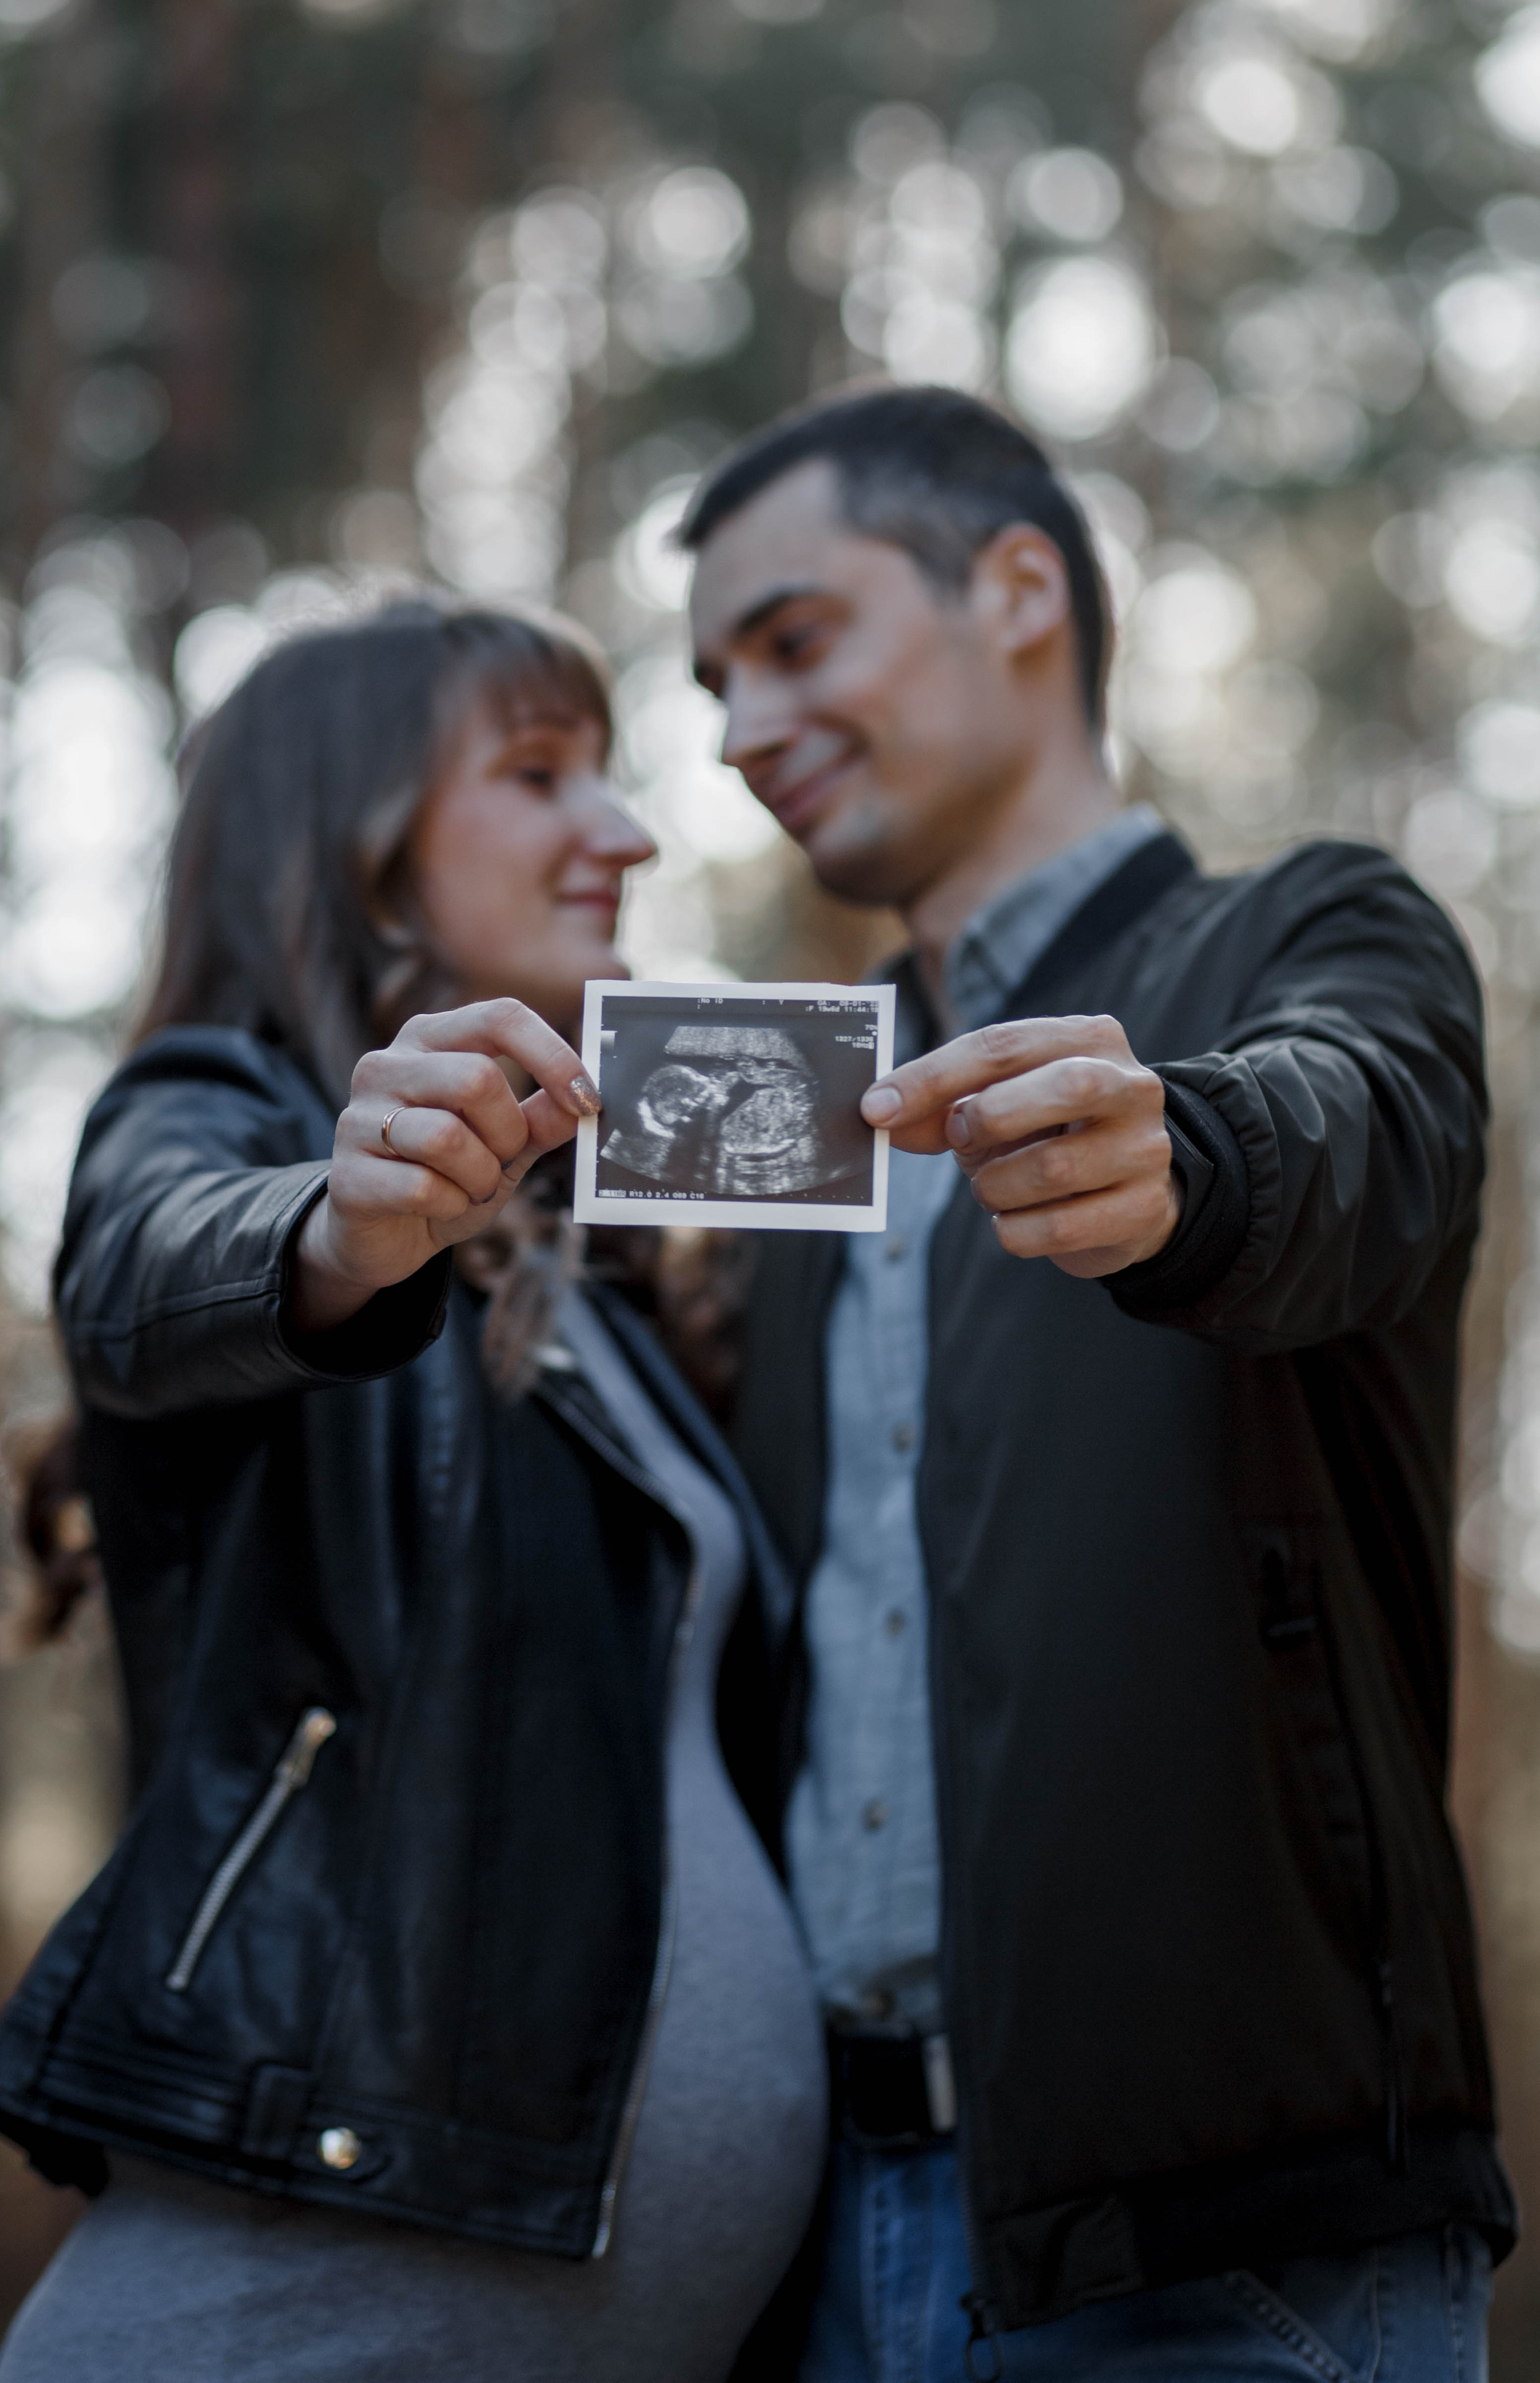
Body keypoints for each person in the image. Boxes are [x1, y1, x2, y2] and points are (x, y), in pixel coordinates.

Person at [686, 385, 1516, 2382]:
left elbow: (1358, 1125)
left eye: (793, 640)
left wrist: (1196, 1157)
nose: (738, 732)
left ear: (1019, 589)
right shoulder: (778, 1105)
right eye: (714, 684)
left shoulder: (1314, 931)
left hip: (1238, 2260)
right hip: (811, 2256)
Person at [0, 600, 827, 2383]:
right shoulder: (210, 1108)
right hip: (285, 2316)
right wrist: (334, 1232)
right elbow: (148, 1259)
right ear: (352, 848)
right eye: (540, 772)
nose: (626, 831)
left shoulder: (588, 1280)